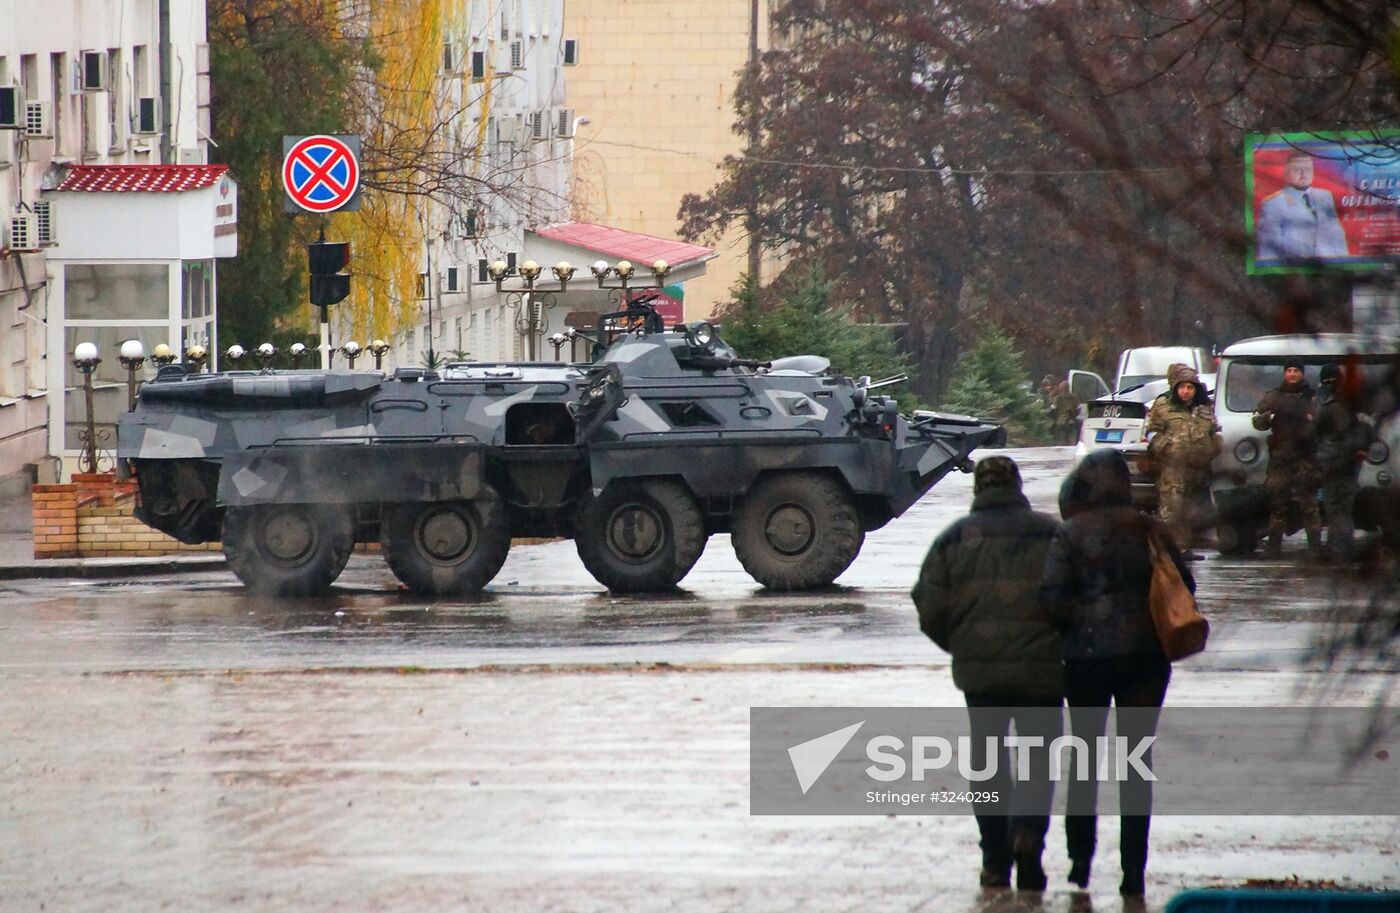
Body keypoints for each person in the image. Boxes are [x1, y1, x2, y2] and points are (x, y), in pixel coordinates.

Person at [1041, 449, 1195, 898]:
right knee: (1136, 766)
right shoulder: (1151, 530)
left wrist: (1081, 620)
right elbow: (1183, 586)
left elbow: (1050, 597)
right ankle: (1133, 872)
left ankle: (1080, 864)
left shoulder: (1070, 533)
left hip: (1086, 662)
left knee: (1084, 763)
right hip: (1145, 662)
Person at [912, 456, 1063, 891]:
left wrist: (963, 646)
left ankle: (996, 861)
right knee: (1037, 760)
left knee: (989, 764)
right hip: (1044, 672)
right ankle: (1029, 835)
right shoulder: (1051, 532)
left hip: (981, 676)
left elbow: (929, 606)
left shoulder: (953, 538)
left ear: (978, 489)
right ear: (1018, 485)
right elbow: (1076, 595)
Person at [1145, 364, 1221, 558]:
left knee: (1189, 511)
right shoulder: (1163, 406)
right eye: (1182, 387)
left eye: (1190, 387)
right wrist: (1168, 448)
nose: (1186, 391)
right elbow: (1152, 433)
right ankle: (1168, 551)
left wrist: (1212, 449)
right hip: (1172, 470)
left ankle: (1184, 549)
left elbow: (1215, 432)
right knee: (1172, 510)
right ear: (1175, 388)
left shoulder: (1204, 408)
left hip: (1197, 469)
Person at [1253, 360, 1322, 556]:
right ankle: (1274, 546)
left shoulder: (1313, 397)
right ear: (1285, 374)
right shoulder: (1274, 396)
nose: (1292, 374)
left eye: (1296, 371)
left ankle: (1315, 548)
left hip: (1305, 457)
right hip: (1280, 457)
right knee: (1277, 503)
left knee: (1309, 503)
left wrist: (1313, 420)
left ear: (1302, 374)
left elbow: (1325, 422)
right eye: (1289, 371)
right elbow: (1258, 422)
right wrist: (1269, 418)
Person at [1312, 363, 1369, 560]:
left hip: (1337, 464)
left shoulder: (1330, 406)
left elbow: (1315, 430)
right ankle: (1341, 547)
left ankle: (1339, 548)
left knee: (1337, 508)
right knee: (1341, 508)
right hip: (1344, 464)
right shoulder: (1351, 403)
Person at [1256, 150, 1349, 263]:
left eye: (1308, 169)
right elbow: (1268, 250)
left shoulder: (1325, 197)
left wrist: (1345, 265)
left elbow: (1337, 235)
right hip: (1296, 273)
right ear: (1286, 173)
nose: (1303, 174)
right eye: (1297, 170)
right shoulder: (1273, 204)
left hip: (1330, 271)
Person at [1052, 381, 1081, 445]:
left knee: (1062, 443)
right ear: (1068, 388)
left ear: (1061, 388)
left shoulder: (1057, 398)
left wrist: (1056, 419)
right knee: (1072, 442)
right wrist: (1074, 416)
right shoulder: (1074, 397)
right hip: (1072, 422)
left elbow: (1053, 409)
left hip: (1061, 422)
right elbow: (1079, 409)